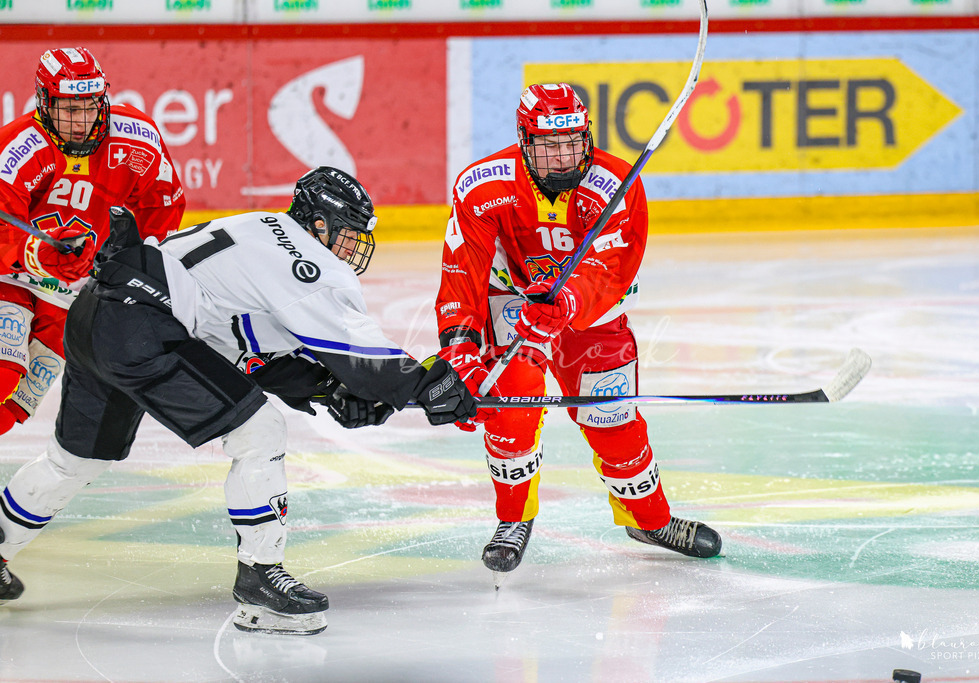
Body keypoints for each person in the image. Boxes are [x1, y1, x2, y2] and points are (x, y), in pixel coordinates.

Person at [0, 167, 477, 635]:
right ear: (318, 225)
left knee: (73, 461)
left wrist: (330, 388)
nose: (352, 248)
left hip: (97, 313)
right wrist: (421, 384)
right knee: (259, 432)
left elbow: (240, 347)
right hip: (141, 328)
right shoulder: (302, 257)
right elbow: (357, 350)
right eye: (347, 234)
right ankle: (260, 577)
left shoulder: (256, 227)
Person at [434, 82, 722, 575]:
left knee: (613, 423)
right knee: (510, 407)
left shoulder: (615, 184)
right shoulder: (481, 187)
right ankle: (512, 519)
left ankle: (649, 520)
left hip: (592, 315)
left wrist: (566, 301)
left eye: (572, 142)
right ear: (525, 142)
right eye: (549, 145)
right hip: (514, 306)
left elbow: (613, 267)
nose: (564, 156)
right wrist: (460, 356)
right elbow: (463, 273)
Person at [0, 46, 185, 435]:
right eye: (69, 109)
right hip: (11, 279)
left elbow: (163, 203)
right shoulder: (18, 148)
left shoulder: (137, 141)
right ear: (44, 102)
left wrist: (139, 261)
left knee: (18, 404)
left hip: (74, 293)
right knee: (3, 375)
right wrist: (36, 252)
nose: (82, 121)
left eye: (90, 106)